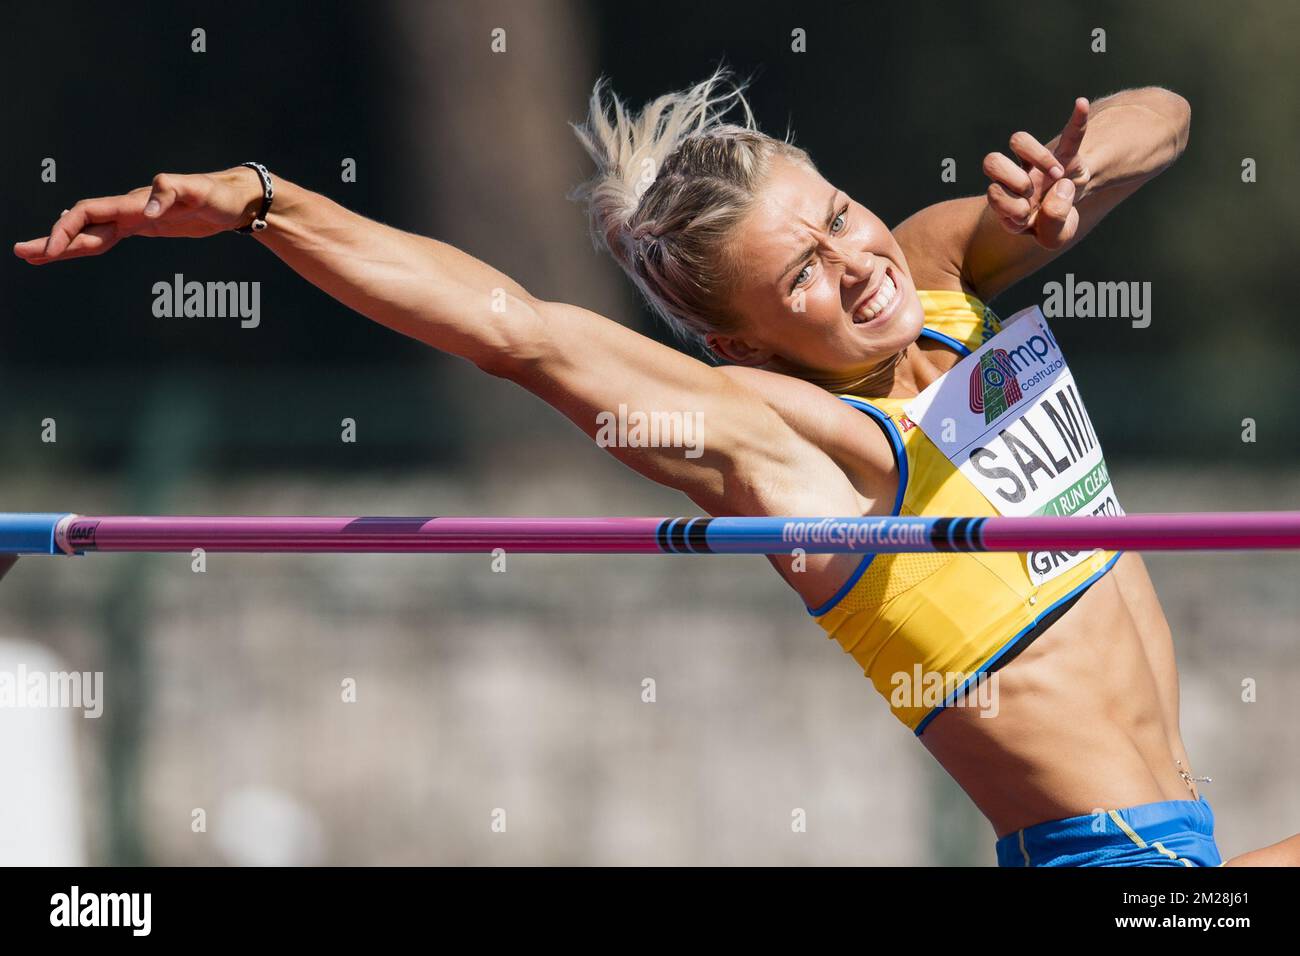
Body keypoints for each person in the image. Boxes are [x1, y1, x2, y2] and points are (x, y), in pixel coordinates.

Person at [15, 70, 1297, 866]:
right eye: (803, 271)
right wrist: (262, 200)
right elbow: (515, 329)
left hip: (1162, 837)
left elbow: (1167, 117)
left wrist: (1068, 175)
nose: (854, 260)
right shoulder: (783, 446)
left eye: (839, 214)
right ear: (742, 340)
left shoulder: (942, 278)